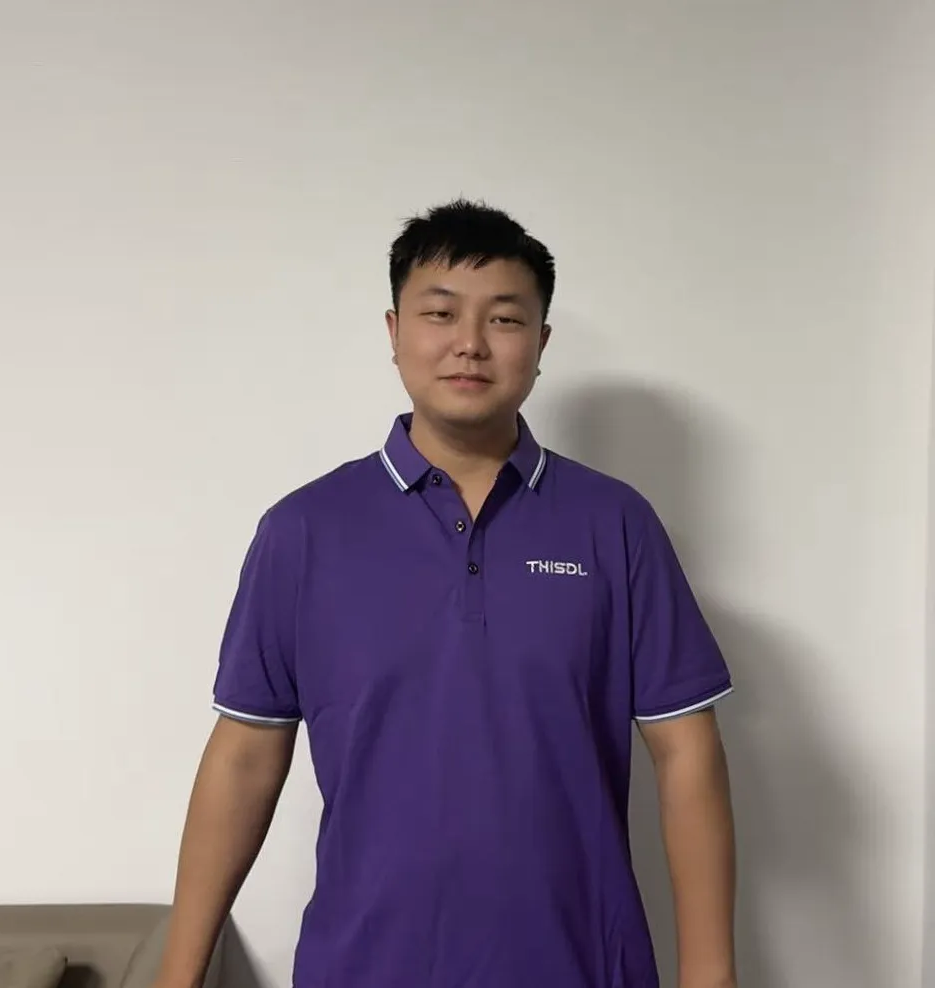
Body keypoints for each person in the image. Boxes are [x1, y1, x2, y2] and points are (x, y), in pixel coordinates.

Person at [153, 199, 737, 988]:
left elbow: (686, 751)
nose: (469, 343)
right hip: (363, 966)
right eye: (440, 313)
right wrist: (177, 976)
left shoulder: (615, 523)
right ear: (395, 332)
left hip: (581, 964)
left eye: (504, 319)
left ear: (540, 344)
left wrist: (710, 974)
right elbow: (245, 758)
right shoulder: (305, 531)